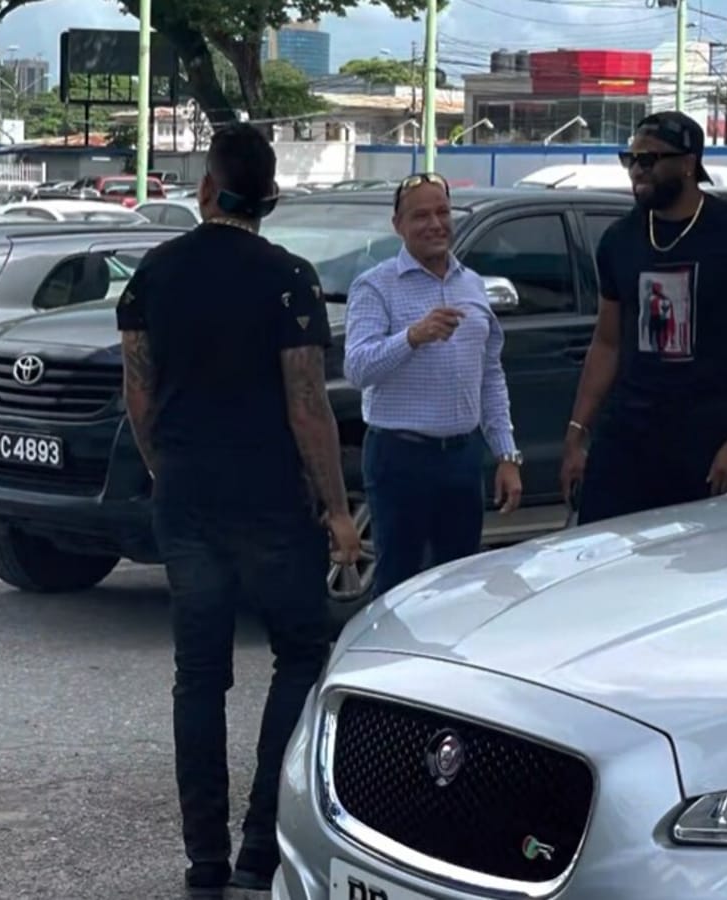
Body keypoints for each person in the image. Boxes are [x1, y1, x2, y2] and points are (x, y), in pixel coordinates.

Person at [115, 123, 361, 895]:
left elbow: (139, 391)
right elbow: (306, 405)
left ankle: (204, 863)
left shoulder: (153, 273)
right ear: (272, 198)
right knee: (298, 652)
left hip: (187, 495)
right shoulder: (288, 277)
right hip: (268, 499)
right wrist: (338, 510)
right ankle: (261, 846)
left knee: (199, 676)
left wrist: (165, 467)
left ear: (205, 190)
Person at [560, 111, 727, 522]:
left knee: (693, 573)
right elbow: (607, 342)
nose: (637, 170)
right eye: (630, 159)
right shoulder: (620, 240)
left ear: (689, 163)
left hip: (705, 443)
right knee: (605, 564)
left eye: (650, 159)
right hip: (626, 439)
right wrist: (576, 434)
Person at [343, 171, 522, 599]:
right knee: (397, 587)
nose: (435, 224)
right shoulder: (376, 286)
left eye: (442, 212)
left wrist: (507, 453)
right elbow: (357, 368)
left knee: (458, 585)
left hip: (461, 457)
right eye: (420, 215)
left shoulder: (471, 284)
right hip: (400, 456)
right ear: (398, 225)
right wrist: (412, 337)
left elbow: (490, 376)